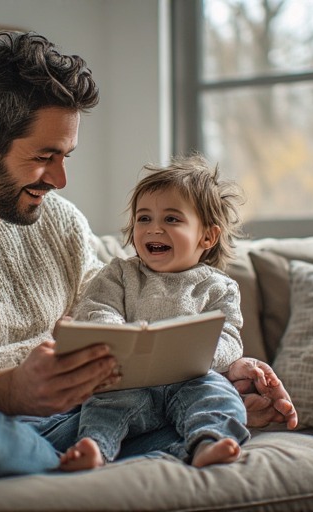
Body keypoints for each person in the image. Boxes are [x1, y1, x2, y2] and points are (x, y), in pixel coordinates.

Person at [0, 31, 297, 488]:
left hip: (82, 425)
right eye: (45, 155)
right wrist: (10, 389)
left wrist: (213, 377)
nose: (60, 179)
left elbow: (123, 337)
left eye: (66, 155)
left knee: (193, 403)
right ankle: (100, 465)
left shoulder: (61, 221)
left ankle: (159, 444)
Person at [59, 155, 259, 471]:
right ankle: (95, 446)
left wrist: (202, 353)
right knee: (104, 401)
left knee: (219, 395)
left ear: (207, 236)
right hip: (130, 381)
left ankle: (209, 442)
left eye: (171, 219)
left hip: (189, 379)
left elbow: (230, 337)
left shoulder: (219, 287)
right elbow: (97, 308)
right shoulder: (119, 274)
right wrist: (119, 336)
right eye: (144, 218)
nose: (154, 229)